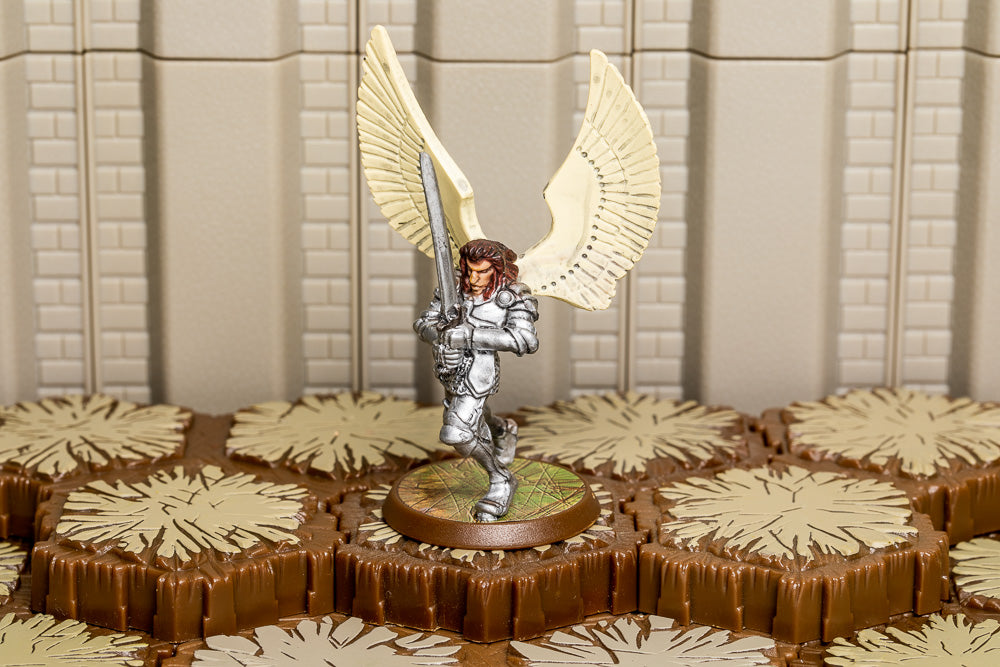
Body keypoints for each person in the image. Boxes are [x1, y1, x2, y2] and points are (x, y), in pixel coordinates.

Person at [413, 239, 539, 521]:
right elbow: (423, 324)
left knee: (456, 432)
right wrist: (442, 336)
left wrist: (469, 336)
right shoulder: (454, 289)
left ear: (497, 270)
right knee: (476, 416)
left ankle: (500, 479)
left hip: (479, 373)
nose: (473, 279)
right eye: (469, 270)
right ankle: (501, 429)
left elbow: (526, 340)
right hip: (449, 368)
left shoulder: (512, 295)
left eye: (482, 272)